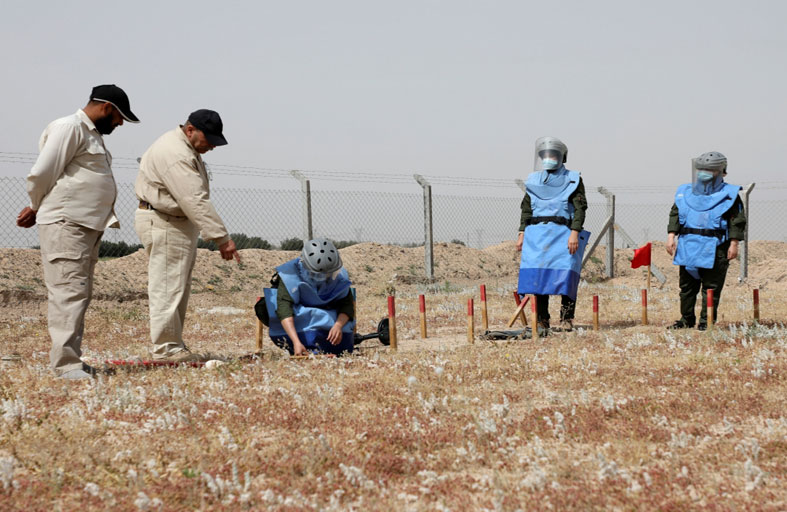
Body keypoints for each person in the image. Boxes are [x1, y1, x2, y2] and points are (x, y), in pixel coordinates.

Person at [16, 84, 140, 379]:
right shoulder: (68, 127)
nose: (121, 123)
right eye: (120, 117)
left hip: (84, 225)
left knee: (78, 293)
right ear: (107, 108)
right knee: (68, 292)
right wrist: (36, 205)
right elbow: (44, 171)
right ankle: (65, 366)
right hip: (66, 224)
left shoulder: (89, 134)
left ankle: (72, 359)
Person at [134, 109, 240, 363]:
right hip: (166, 222)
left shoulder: (183, 147)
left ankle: (173, 344)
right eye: (210, 139)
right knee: (169, 286)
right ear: (190, 130)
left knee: (175, 285)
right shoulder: (176, 153)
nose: (213, 146)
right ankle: (167, 349)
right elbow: (194, 199)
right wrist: (221, 237)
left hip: (172, 222)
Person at [516, 136, 590, 332]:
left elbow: (580, 208)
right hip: (537, 235)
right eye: (545, 155)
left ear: (561, 156)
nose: (549, 158)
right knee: (539, 278)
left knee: (566, 275)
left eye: (553, 154)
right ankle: (542, 320)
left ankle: (566, 319)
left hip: (564, 234)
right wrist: (522, 232)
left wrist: (575, 232)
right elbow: (526, 208)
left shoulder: (573, 178)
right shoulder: (534, 180)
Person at [666, 151, 746, 330]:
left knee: (711, 288)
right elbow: (675, 213)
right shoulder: (685, 192)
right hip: (688, 244)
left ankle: (706, 322)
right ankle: (686, 320)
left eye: (709, 170)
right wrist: (671, 235)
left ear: (721, 171)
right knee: (686, 287)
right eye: (701, 169)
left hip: (716, 247)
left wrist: (734, 243)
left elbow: (737, 220)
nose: (704, 173)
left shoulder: (729, 194)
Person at [255, 238, 355, 356]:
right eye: (319, 274)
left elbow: (347, 304)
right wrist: (296, 342)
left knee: (340, 323)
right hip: (299, 320)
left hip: (329, 318)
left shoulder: (338, 275)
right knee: (317, 316)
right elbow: (284, 310)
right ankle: (308, 347)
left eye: (328, 274)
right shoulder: (290, 276)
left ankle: (326, 347)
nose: (325, 277)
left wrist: (338, 326)